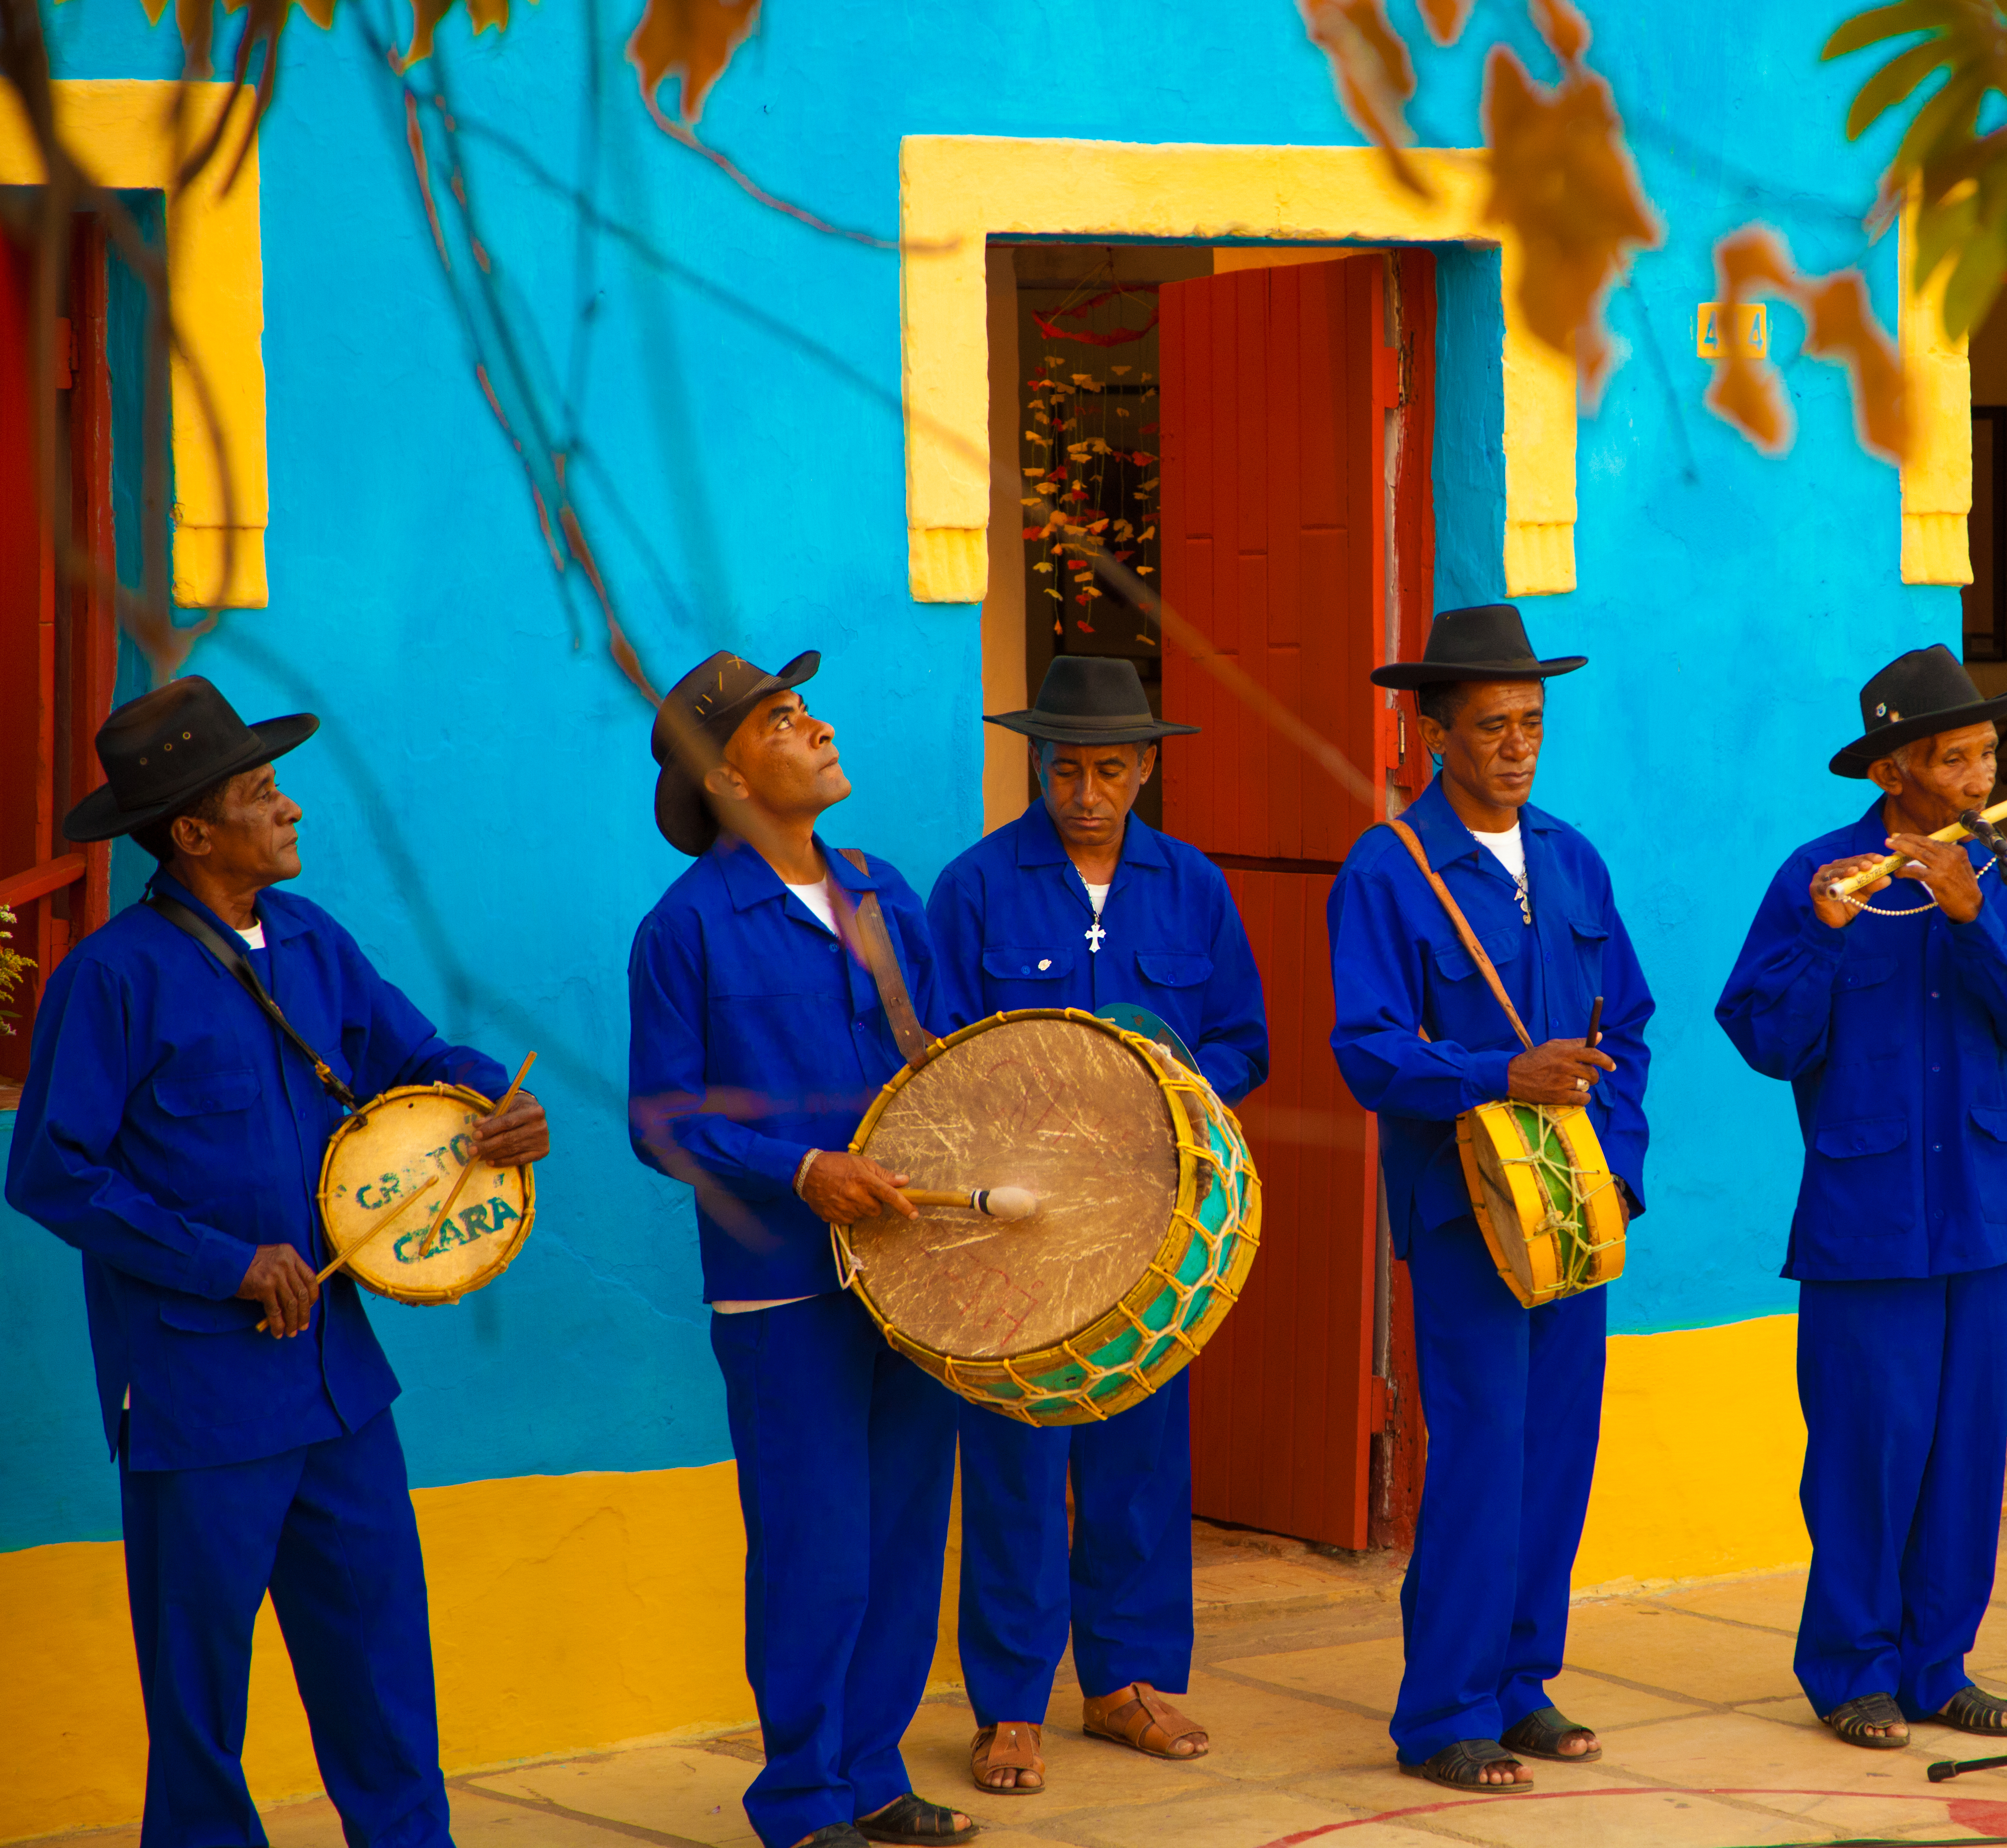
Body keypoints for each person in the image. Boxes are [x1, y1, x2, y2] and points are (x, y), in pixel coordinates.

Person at [5, 677, 551, 1848]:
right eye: (261, 792)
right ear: (194, 834)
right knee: (201, 1696)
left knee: (382, 1662)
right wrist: (225, 1263)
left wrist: (490, 1103)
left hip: (340, 1385)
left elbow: (413, 1056)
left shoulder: (313, 939)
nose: (289, 807)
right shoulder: (112, 976)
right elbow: (54, 1173)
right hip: (198, 1394)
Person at [626, 651, 978, 1848]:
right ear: (728, 778)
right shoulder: (685, 927)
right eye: (783, 721)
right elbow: (659, 1121)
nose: (817, 727)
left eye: (807, 709)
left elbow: (941, 1057)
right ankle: (800, 1801)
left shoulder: (883, 891)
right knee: (813, 1547)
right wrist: (799, 1169)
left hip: (913, 1268)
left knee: (901, 1539)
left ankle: (872, 1776)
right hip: (782, 1287)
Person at [1715, 644, 2007, 1751]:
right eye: (1955, 759)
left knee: (1967, 1454)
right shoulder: (1815, 876)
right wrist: (1822, 937)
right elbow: (1766, 1039)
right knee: (1866, 1452)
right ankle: (1851, 1671)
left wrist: (1973, 916)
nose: (1980, 778)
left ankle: (1939, 1666)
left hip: (1982, 1208)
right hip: (1864, 1215)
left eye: (1987, 755)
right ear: (1893, 773)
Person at [920, 654, 1269, 1799]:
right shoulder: (975, 886)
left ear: (1144, 769)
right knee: (1017, 1460)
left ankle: (1127, 1681)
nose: (1086, 792)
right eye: (1067, 768)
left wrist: (1172, 1092)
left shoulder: (1193, 886)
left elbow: (1244, 1043)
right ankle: (1011, 1704)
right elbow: (938, 1056)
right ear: (1040, 762)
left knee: (1141, 1454)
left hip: (1152, 1228)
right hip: (1015, 1232)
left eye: (1110, 770)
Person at [1325, 604, 1656, 1793]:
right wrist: (1496, 1074)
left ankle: (1521, 1683)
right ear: (1433, 733)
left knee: (1557, 1453)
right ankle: (1445, 1710)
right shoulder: (1388, 869)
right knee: (1479, 1453)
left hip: (1575, 1212)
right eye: (1491, 726)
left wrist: (1615, 1172)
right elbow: (1367, 1050)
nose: (1517, 747)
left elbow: (1631, 1027)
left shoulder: (1573, 858)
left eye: (1531, 722)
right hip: (1465, 1212)